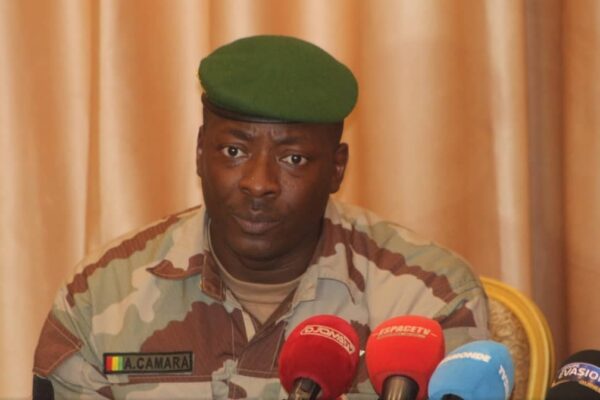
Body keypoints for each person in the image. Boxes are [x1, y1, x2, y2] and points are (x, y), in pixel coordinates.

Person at [32, 35, 489, 399]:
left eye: (293, 159)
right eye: (234, 151)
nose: (258, 183)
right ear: (199, 153)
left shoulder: (425, 300)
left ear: (336, 168)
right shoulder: (99, 298)